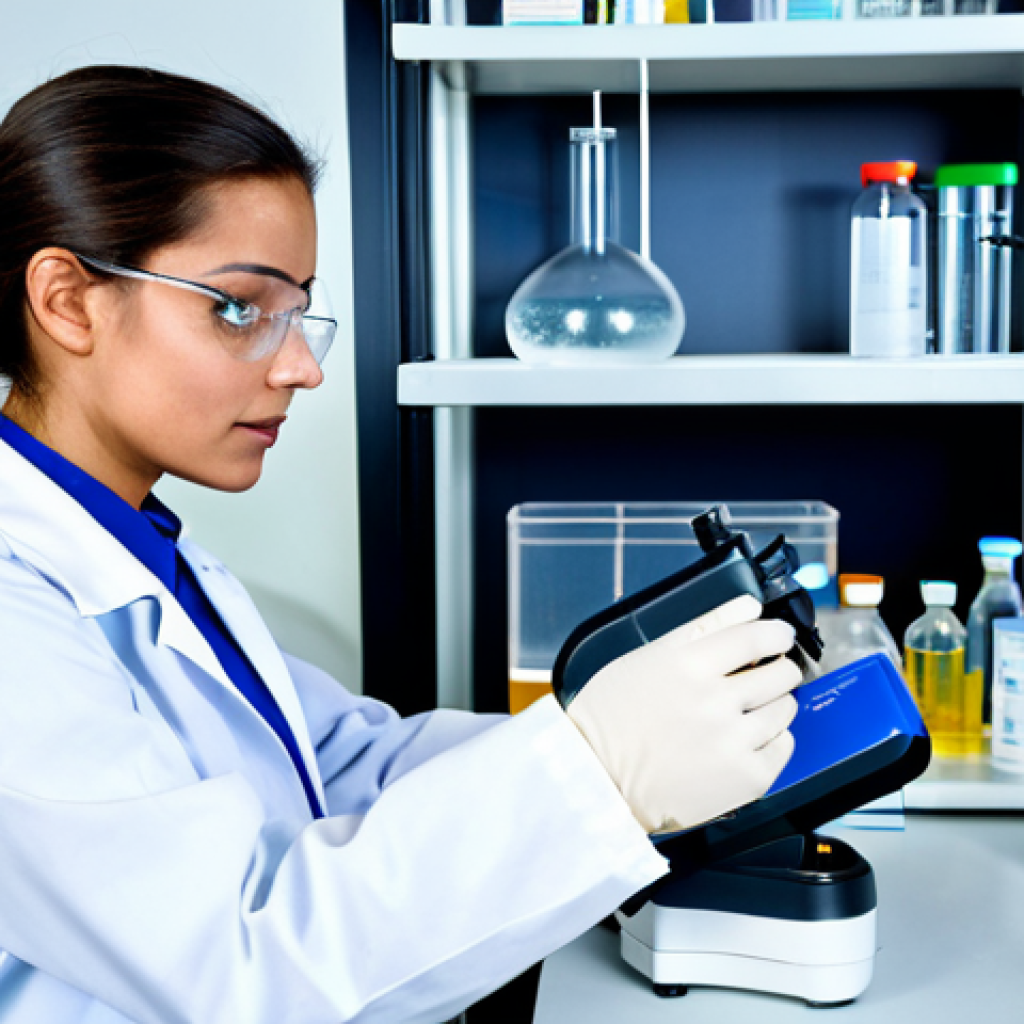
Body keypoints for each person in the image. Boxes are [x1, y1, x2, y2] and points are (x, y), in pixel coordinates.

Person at [0, 66, 801, 1024]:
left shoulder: (136, 550)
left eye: (297, 313)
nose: (298, 366)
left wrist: (621, 736)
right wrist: (602, 775)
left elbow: (343, 764)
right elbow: (241, 966)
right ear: (69, 302)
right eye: (238, 309)